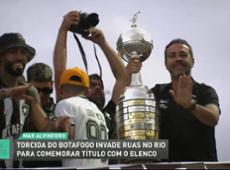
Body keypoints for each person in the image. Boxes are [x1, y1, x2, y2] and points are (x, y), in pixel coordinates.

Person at [0, 33, 71, 168]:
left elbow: (44, 127)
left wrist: (57, 126)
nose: (19, 57)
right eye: (13, 52)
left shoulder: (29, 92)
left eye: (23, 53)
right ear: (1, 56)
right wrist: (6, 94)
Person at [53, 11, 127, 140]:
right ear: (84, 90)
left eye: (101, 86)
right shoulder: (70, 106)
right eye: (92, 85)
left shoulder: (108, 113)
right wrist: (63, 30)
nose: (98, 88)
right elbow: (60, 73)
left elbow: (123, 78)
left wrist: (102, 43)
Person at [150, 39, 220, 161]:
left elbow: (213, 118)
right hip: (164, 167)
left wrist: (191, 105)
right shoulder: (157, 92)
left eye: (183, 55)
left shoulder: (205, 91)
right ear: (166, 64)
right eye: (172, 56)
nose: (178, 59)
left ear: (192, 61)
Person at [55, 67, 108, 168]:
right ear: (87, 90)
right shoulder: (98, 111)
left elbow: (68, 135)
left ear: (61, 89)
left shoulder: (65, 104)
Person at [23, 63, 61, 167]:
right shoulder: (16, 111)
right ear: (27, 85)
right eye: (36, 90)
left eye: (46, 90)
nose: (40, 95)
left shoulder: (60, 111)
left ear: (52, 85)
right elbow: (4, 142)